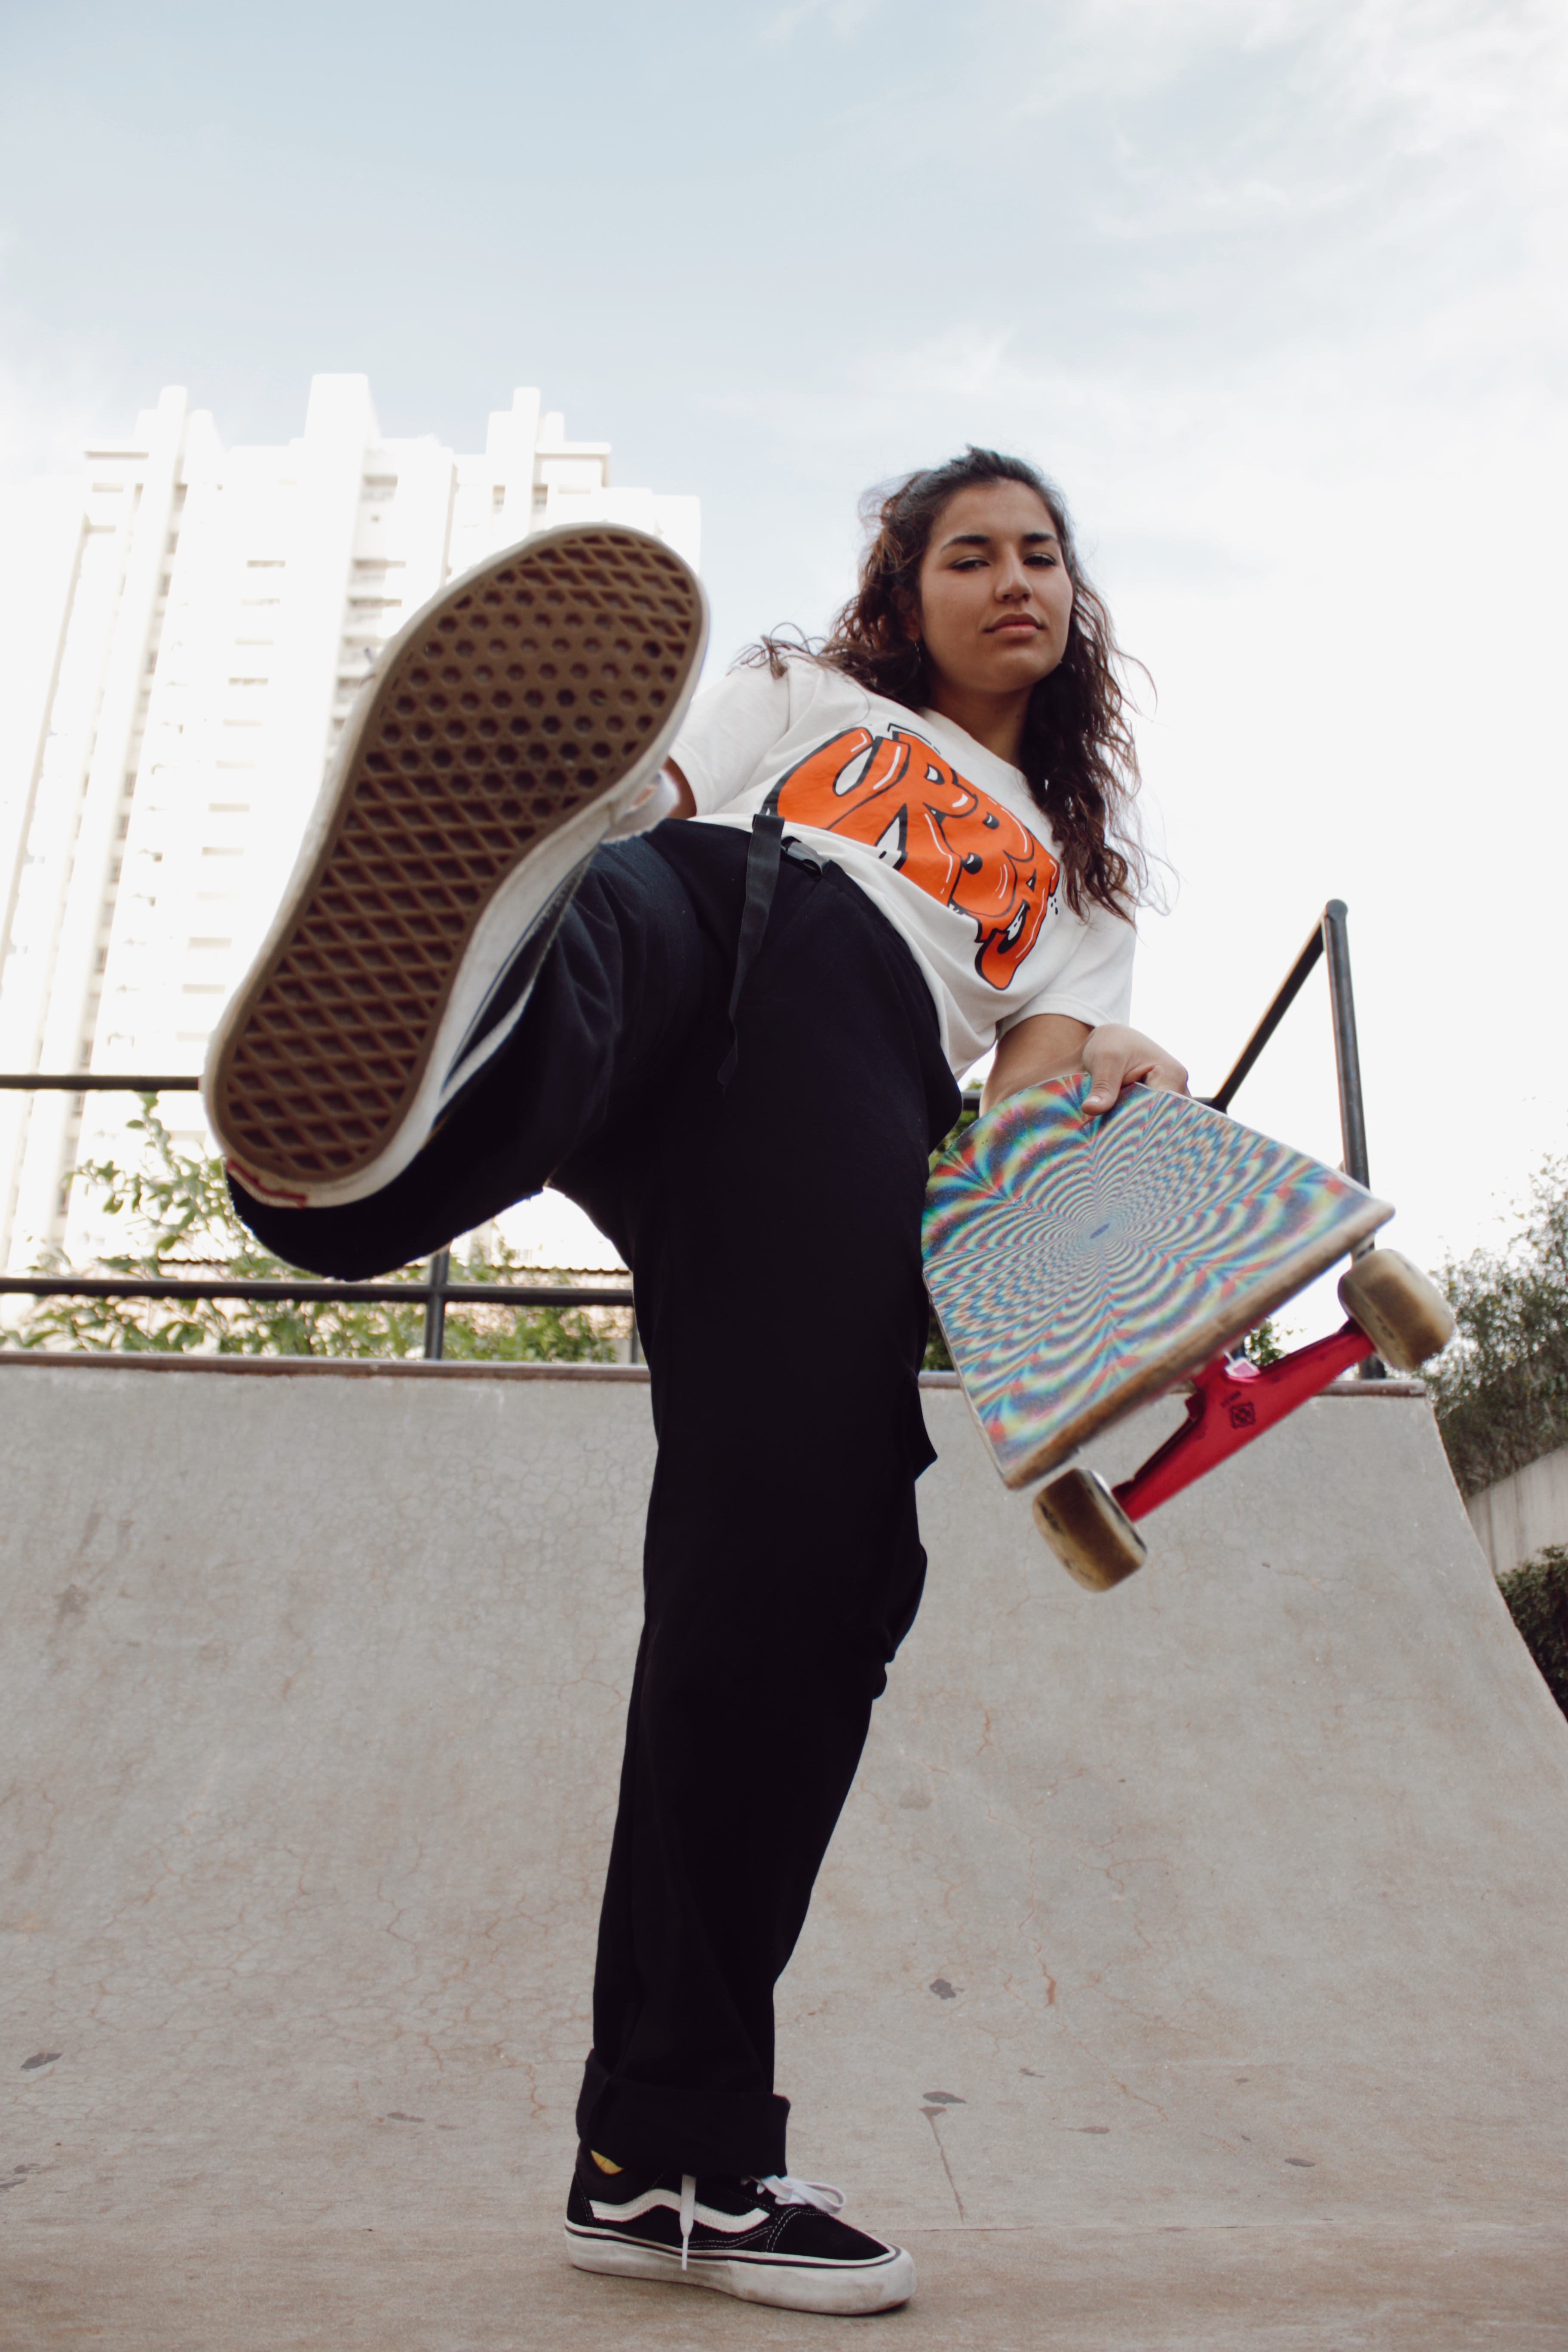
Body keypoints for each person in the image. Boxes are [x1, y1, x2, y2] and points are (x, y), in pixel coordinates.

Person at [206, 446, 1188, 2316]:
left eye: (1041, 554)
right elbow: (637, 799)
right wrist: (565, 842)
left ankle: (667, 2152)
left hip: (853, 1067)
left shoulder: (1074, 887)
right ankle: (364, 1131)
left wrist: (1112, 1059)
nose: (1012, 580)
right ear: (901, 597)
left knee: (814, 1563)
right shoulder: (800, 695)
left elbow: (1029, 1086)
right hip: (694, 897)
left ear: (1074, 601)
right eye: (967, 554)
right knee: (580, 945)